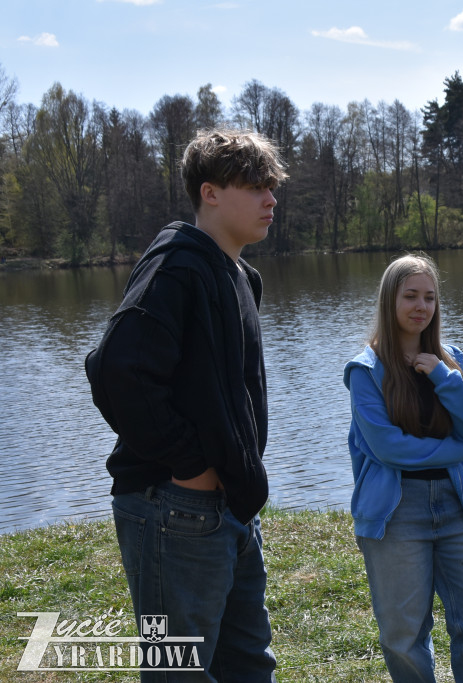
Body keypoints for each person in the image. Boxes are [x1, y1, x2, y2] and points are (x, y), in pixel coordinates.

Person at [85, 128, 287, 682]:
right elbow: (116, 370)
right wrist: (191, 466)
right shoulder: (176, 266)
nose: (271, 199)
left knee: (248, 664)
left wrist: (230, 476)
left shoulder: (238, 274)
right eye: (255, 186)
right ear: (210, 193)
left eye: (271, 186)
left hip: (230, 509)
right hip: (174, 508)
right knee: (178, 671)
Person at [343, 254, 463, 682]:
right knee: (404, 636)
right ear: (389, 300)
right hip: (396, 514)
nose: (421, 306)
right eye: (411, 296)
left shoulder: (452, 359)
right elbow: (389, 449)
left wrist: (443, 377)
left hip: (457, 506)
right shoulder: (365, 370)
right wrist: (458, 449)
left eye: (430, 297)